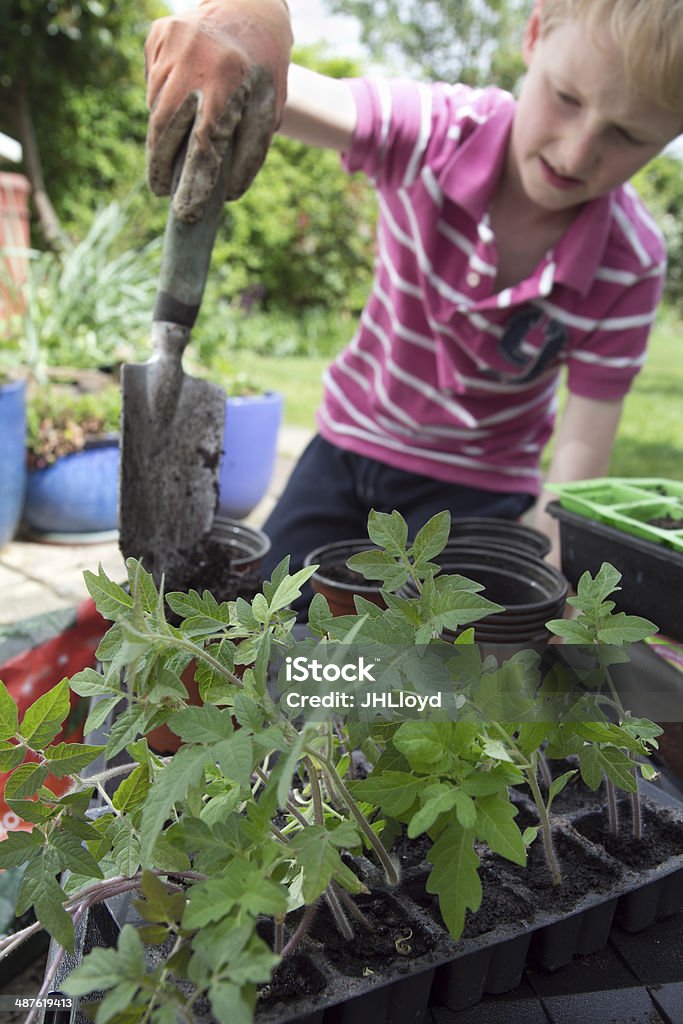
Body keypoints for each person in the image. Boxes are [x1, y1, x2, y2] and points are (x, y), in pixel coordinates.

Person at [144, 0, 683, 614]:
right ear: (534, 35)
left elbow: (580, 459)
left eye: (627, 136)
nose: (578, 151)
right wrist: (243, 30)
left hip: (481, 494)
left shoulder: (631, 259)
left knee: (430, 674)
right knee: (264, 629)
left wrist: (554, 560)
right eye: (566, 98)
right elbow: (277, 92)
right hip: (347, 452)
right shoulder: (435, 131)